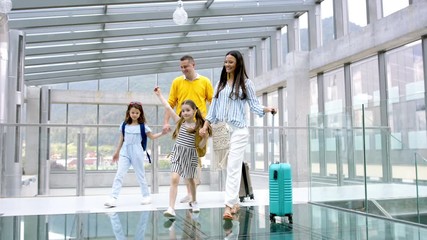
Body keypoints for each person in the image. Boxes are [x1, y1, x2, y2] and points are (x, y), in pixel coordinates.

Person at [199, 50, 277, 220]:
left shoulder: (246, 84)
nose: (227, 65)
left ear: (238, 64)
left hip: (239, 130)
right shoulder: (220, 84)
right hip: (222, 130)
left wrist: (268, 109)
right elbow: (212, 110)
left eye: (231, 62)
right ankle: (235, 203)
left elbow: (255, 106)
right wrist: (205, 126)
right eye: (226, 62)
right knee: (228, 168)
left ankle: (227, 206)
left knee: (233, 166)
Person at [163, 55, 214, 204]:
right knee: (186, 158)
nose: (184, 69)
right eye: (181, 67)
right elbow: (170, 103)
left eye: (186, 66)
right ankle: (191, 193)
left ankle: (192, 191)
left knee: (196, 156)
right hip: (182, 125)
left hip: (199, 127)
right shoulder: (177, 82)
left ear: (193, 65)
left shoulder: (205, 81)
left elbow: (213, 102)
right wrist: (166, 122)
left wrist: (209, 124)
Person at [154, 87, 211, 218]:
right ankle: (171, 208)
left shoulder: (198, 127)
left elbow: (200, 146)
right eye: (183, 110)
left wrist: (205, 138)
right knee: (174, 179)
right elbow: (168, 107)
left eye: (187, 110)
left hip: (190, 155)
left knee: (191, 181)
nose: (184, 113)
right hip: (178, 153)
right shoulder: (179, 122)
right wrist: (160, 95)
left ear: (194, 111)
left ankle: (194, 200)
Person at [104, 101, 167, 208]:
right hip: (125, 151)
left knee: (140, 175)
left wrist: (162, 133)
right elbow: (121, 139)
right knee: (119, 174)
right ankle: (113, 198)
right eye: (133, 112)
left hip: (137, 152)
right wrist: (117, 152)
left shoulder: (143, 127)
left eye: (137, 113)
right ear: (129, 112)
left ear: (140, 114)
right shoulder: (124, 125)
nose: (134, 114)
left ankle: (146, 196)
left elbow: (152, 137)